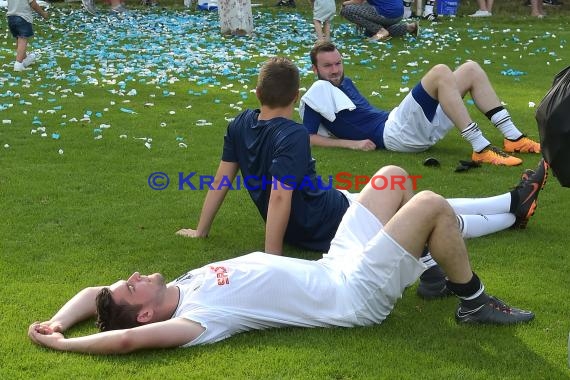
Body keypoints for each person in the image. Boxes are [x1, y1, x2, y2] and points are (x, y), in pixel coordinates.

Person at [28, 164, 537, 355]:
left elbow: (96, 294)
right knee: (429, 204)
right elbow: (130, 338)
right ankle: (471, 300)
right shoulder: (197, 320)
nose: (134, 275)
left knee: (391, 178)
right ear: (144, 311)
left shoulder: (180, 284)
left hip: (332, 264)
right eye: (131, 287)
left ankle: (426, 265)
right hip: (352, 295)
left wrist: (56, 322)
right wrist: (67, 349)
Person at [176, 57, 548, 300]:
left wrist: (201, 229)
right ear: (296, 97)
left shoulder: (241, 122)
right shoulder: (290, 135)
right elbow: (278, 197)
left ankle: (511, 205)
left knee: (411, 201)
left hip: (326, 207)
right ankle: (512, 210)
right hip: (330, 221)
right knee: (429, 215)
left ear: (257, 93)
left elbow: (221, 180)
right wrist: (273, 259)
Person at [301, 41, 541, 166]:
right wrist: (352, 144)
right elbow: (308, 136)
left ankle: (513, 138)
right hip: (393, 134)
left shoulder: (345, 82)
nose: (335, 70)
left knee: (470, 69)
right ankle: (481, 149)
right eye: (327, 66)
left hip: (397, 125)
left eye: (338, 63)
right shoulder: (318, 91)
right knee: (439, 72)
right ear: (315, 69)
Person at [340, 0, 418, 41]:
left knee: (346, 10)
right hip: (399, 14)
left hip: (386, 13)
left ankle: (380, 31)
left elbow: (358, 1)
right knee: (369, 33)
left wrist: (344, 4)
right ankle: (408, 27)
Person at [6, 0, 48, 72]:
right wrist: (43, 14)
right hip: (23, 17)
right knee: (23, 39)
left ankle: (24, 58)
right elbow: (33, 4)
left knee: (18, 39)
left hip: (11, 17)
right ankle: (18, 64)